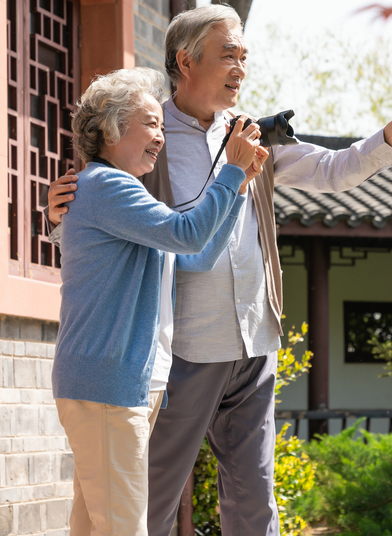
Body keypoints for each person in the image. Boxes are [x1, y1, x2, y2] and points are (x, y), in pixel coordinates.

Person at [49, 6, 392, 536]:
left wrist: (391, 134)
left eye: (244, 57)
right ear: (185, 61)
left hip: (254, 341)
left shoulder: (248, 134)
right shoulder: (141, 136)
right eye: (227, 55)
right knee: (149, 504)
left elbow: (332, 169)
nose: (240, 68)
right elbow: (92, 225)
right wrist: (53, 216)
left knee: (256, 504)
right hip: (179, 349)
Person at [51, 66, 267, 536]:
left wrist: (240, 186)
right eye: (151, 123)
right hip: (108, 384)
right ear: (110, 129)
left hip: (121, 384)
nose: (160, 137)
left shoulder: (120, 195)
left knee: (94, 527)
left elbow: (197, 257)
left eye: (163, 127)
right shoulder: (108, 186)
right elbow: (187, 234)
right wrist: (229, 171)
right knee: (124, 528)